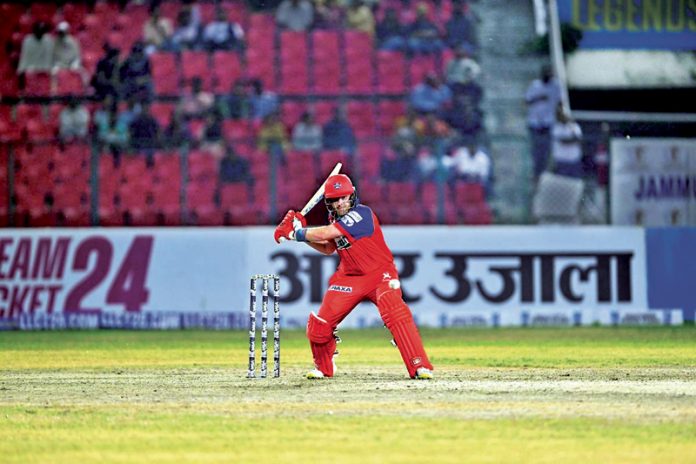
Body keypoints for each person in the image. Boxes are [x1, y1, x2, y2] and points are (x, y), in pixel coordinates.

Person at [273, 173, 434, 380]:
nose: (341, 203)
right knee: (320, 324)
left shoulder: (362, 214)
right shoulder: (333, 219)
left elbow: (325, 233)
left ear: (352, 196)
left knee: (395, 311)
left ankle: (419, 366)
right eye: (335, 199)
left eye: (344, 197)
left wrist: (296, 232)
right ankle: (324, 367)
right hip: (349, 277)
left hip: (379, 275)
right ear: (328, 202)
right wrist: (299, 236)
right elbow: (328, 247)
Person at [525, 64, 561, 180]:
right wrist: (539, 98)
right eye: (546, 73)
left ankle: (545, 176)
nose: (548, 75)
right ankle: (536, 175)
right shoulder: (535, 85)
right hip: (535, 123)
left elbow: (560, 102)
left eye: (550, 73)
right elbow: (527, 101)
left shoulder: (555, 86)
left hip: (548, 123)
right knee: (536, 153)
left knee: (547, 152)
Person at [550, 104, 583, 178]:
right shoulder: (556, 127)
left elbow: (579, 140)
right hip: (561, 162)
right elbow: (564, 141)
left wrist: (570, 125)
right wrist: (574, 139)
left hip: (574, 161)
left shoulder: (575, 126)